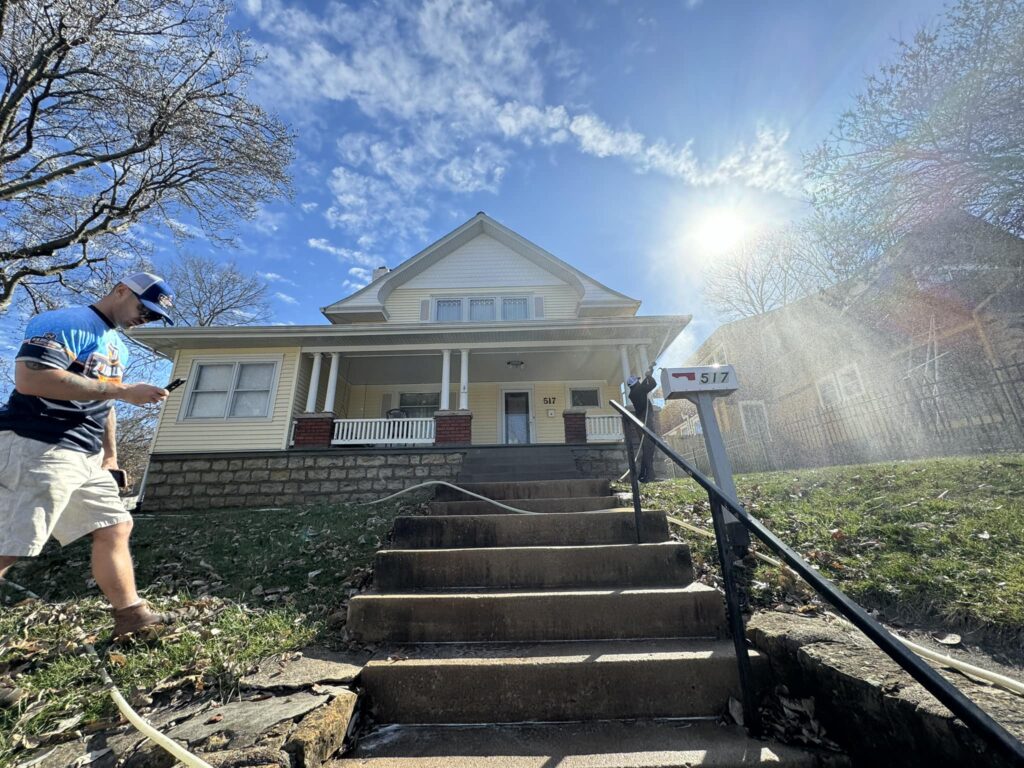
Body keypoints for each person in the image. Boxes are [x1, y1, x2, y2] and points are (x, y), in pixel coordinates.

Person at [0, 273, 177, 637]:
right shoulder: (67, 321)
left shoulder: (117, 346)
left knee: (115, 525)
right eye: (144, 309)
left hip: (84, 452)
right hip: (38, 442)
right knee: (9, 544)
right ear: (121, 290)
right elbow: (31, 379)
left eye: (154, 317)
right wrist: (125, 390)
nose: (145, 319)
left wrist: (109, 457)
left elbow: (106, 401)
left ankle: (131, 617)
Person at [627, 366, 658, 482]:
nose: (640, 381)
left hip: (641, 422)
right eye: (638, 380)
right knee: (649, 447)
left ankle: (644, 474)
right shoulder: (639, 390)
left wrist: (650, 371)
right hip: (646, 421)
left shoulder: (634, 392)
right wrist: (649, 376)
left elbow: (644, 384)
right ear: (635, 383)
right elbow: (653, 384)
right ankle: (649, 475)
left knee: (646, 448)